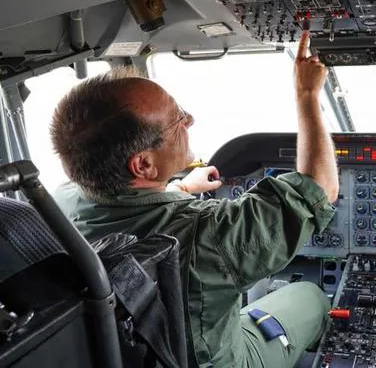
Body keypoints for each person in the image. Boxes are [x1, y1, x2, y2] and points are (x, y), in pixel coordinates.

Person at [52, 32, 339, 368]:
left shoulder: (62, 202)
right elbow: (320, 189)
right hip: (218, 361)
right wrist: (306, 94)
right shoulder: (209, 234)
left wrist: (181, 189)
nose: (189, 120)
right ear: (143, 164)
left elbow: (136, 214)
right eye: (178, 120)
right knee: (309, 295)